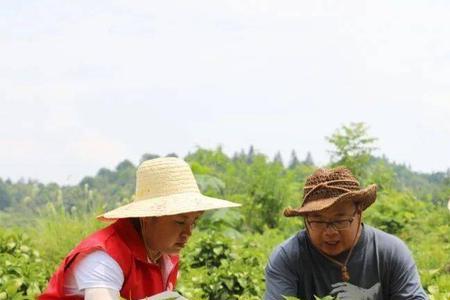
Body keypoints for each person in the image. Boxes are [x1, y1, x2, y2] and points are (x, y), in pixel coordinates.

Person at [39, 157, 240, 300]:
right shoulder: (104, 256)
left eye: (193, 223)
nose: (188, 233)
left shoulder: (164, 255)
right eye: (179, 222)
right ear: (147, 217)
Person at [264, 167, 427, 300]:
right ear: (306, 219)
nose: (329, 232)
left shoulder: (391, 252)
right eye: (318, 221)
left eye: (340, 220)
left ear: (359, 212)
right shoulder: (287, 257)